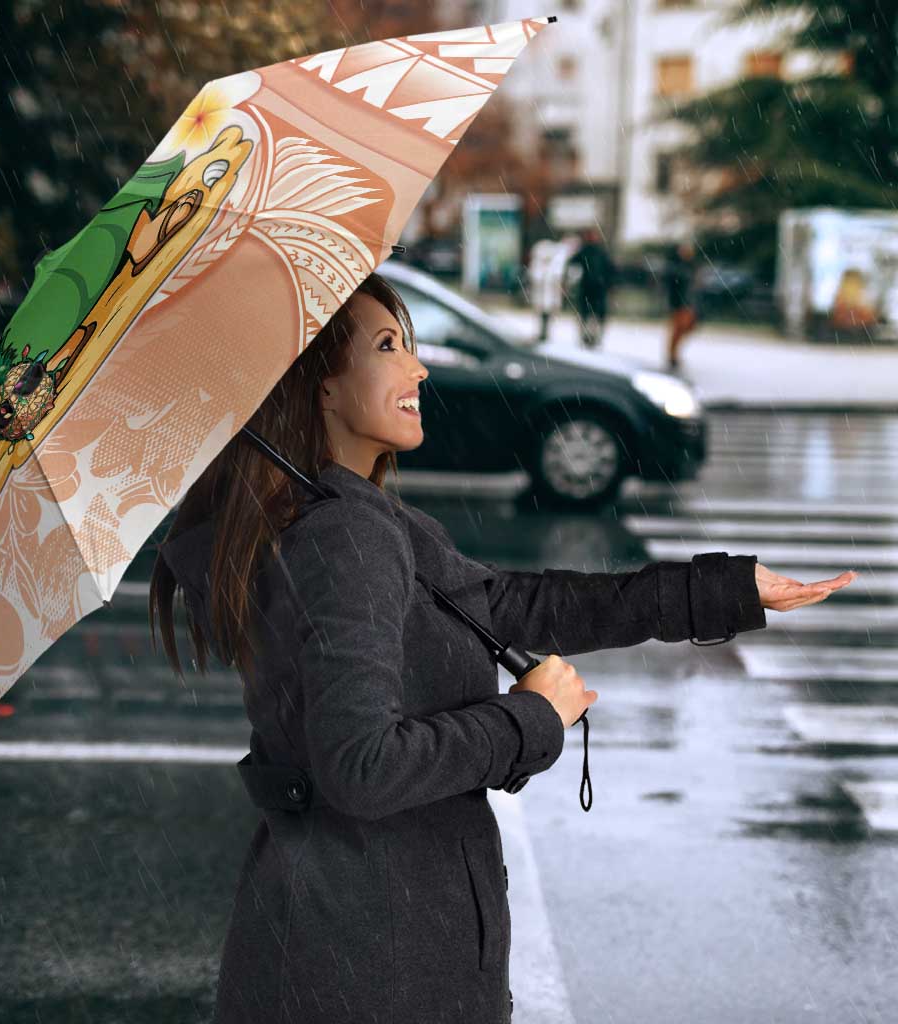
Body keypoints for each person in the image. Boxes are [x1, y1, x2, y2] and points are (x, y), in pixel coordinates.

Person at [150, 271, 854, 1024]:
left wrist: (724, 591)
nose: (418, 368)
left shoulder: (352, 519)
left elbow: (516, 605)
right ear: (319, 385)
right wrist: (529, 719)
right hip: (372, 962)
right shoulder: (343, 536)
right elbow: (361, 768)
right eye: (388, 346)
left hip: (354, 942)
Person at [566, 226, 616, 349]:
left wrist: (609, 284)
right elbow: (572, 264)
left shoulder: (599, 252)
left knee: (594, 315)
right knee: (587, 314)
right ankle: (587, 337)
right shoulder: (586, 251)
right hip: (589, 288)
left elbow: (610, 270)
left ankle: (593, 337)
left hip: (597, 288)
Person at [664, 239, 700, 370]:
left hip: (688, 303)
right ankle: (672, 355)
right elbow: (673, 286)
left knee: (686, 328)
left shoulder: (691, 266)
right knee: (678, 329)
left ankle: (673, 354)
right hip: (679, 303)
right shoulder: (676, 267)